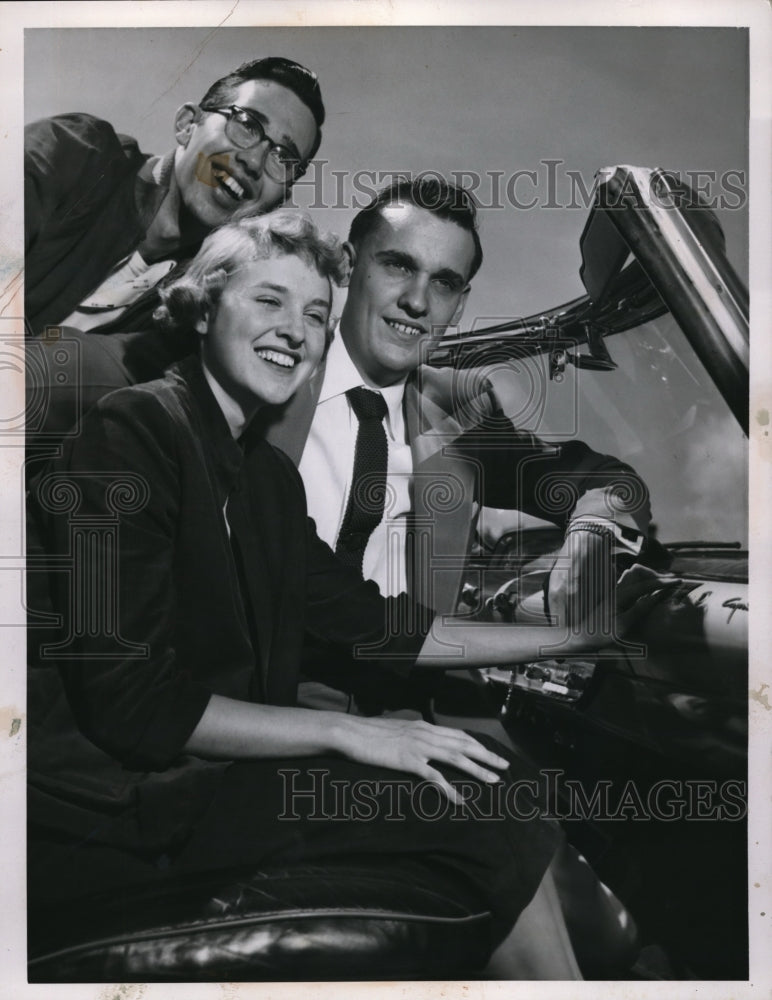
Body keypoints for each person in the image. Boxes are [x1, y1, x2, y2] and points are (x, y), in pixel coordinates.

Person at [28, 209, 644, 980]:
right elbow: (135, 704)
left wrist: (573, 628)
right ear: (204, 304)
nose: (294, 329)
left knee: (519, 811)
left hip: (241, 762)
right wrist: (351, 737)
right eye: (268, 301)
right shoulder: (134, 425)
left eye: (312, 313)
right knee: (490, 806)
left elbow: (371, 622)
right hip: (119, 797)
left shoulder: (262, 481)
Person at [257, 176, 652, 711]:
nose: (417, 301)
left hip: (400, 704)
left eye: (443, 283)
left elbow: (600, 477)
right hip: (254, 699)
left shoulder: (459, 407)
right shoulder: (264, 369)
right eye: (397, 265)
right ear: (348, 265)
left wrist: (595, 530)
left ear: (460, 305)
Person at [25, 56, 324, 438]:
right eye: (247, 125)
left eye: (283, 158)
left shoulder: (208, 305)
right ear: (187, 125)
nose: (253, 161)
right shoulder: (76, 153)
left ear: (277, 201)